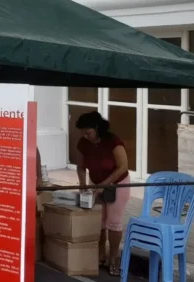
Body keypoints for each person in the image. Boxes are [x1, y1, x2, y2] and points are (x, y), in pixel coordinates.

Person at [75, 111, 130, 277]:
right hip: (96, 183)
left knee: (113, 222)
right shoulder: (83, 143)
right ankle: (100, 254)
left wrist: (104, 184)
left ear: (97, 128)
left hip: (117, 184)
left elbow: (123, 167)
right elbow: (80, 166)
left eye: (88, 132)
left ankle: (113, 258)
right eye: (83, 133)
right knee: (99, 221)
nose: (85, 136)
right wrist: (83, 184)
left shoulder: (113, 141)